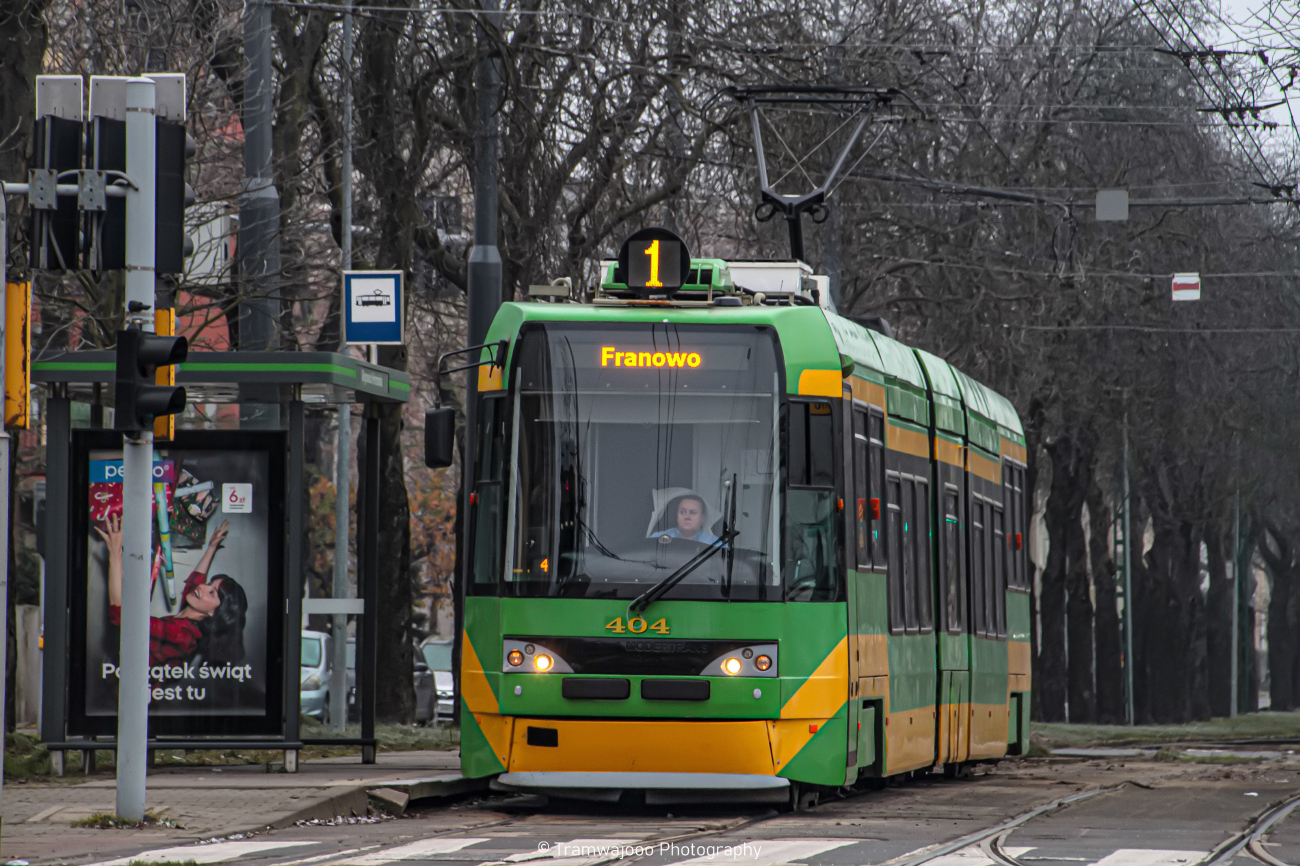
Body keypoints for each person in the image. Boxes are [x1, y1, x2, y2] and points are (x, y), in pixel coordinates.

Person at [97, 514, 249, 666]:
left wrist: (115, 553)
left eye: (212, 592)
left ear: (214, 613)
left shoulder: (183, 636)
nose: (203, 586)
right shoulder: (190, 619)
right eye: (209, 583)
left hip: (129, 683)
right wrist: (211, 547)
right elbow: (195, 583)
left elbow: (120, 616)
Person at [650, 494, 721, 545]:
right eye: (682, 512)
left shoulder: (716, 545)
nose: (687, 517)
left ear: (702, 518)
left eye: (692, 513)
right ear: (677, 517)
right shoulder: (657, 539)